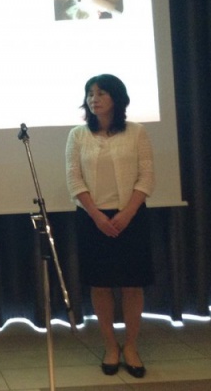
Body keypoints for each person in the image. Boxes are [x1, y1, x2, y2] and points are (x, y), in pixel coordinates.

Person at [65, 74, 155, 379]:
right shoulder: (78, 135)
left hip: (131, 216)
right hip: (93, 219)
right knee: (100, 285)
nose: (94, 99)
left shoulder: (136, 132)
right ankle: (110, 346)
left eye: (101, 93)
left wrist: (128, 213)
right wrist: (97, 215)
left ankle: (131, 346)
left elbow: (146, 177)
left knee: (132, 285)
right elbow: (74, 179)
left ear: (117, 98)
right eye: (90, 94)